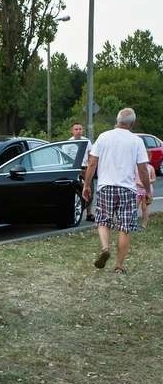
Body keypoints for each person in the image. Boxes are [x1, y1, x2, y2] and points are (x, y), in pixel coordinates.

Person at [82, 108, 152, 275]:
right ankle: (119, 266)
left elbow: (92, 163)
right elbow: (142, 169)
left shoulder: (103, 137)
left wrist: (86, 185)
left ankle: (105, 247)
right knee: (125, 227)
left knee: (103, 221)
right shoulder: (136, 141)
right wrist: (148, 190)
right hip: (127, 189)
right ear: (132, 123)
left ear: (117, 120)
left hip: (105, 186)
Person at [69, 122, 95, 221]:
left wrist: (90, 168)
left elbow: (91, 155)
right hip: (74, 169)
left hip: (85, 168)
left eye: (80, 129)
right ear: (72, 131)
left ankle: (89, 213)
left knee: (89, 189)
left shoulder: (87, 141)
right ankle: (74, 211)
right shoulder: (68, 143)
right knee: (76, 191)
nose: (78, 131)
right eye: (76, 129)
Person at [135, 151, 156, 228]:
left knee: (145, 208)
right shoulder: (136, 167)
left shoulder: (150, 168)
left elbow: (154, 179)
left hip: (147, 191)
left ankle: (144, 224)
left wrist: (147, 181)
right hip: (137, 190)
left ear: (149, 158)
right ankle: (132, 222)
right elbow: (133, 177)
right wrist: (137, 182)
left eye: (147, 157)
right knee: (134, 207)